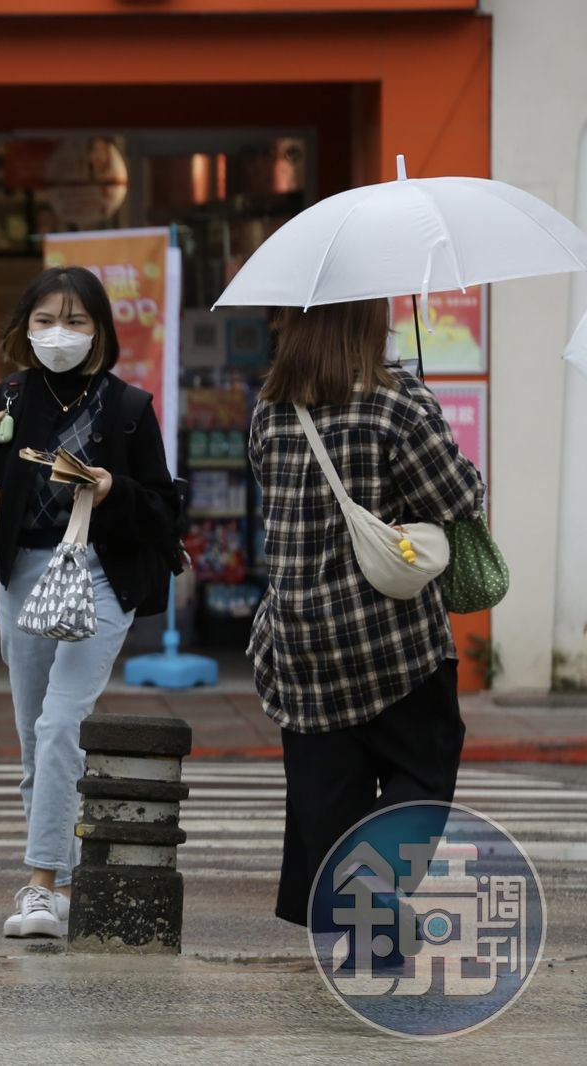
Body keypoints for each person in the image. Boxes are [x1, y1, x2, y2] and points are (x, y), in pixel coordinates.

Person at [0, 267, 176, 942]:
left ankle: (37, 885)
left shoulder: (127, 407)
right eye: (45, 321)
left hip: (102, 571)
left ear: (100, 332)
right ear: (25, 330)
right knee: (36, 738)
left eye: (75, 321)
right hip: (26, 574)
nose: (60, 334)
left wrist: (114, 488)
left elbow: (164, 508)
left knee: (62, 723)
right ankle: (57, 884)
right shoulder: (6, 402)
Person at [247, 299, 483, 940]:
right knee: (425, 766)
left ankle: (358, 930)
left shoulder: (272, 406)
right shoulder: (397, 401)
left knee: (326, 791)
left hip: (299, 635)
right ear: (369, 321)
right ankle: (368, 887)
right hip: (390, 635)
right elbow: (458, 497)